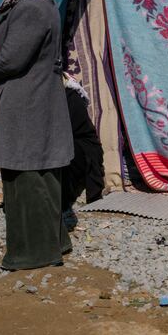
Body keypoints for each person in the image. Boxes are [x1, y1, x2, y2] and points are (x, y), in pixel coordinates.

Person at [0, 0, 74, 271]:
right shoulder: (32, 4)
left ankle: (33, 253)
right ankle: (52, 241)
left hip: (28, 103)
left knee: (27, 174)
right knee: (36, 171)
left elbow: (12, 59)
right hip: (31, 101)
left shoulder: (31, 8)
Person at [60, 72, 105, 231]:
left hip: (79, 148)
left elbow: (65, 131)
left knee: (60, 154)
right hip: (64, 143)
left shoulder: (69, 96)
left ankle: (63, 212)